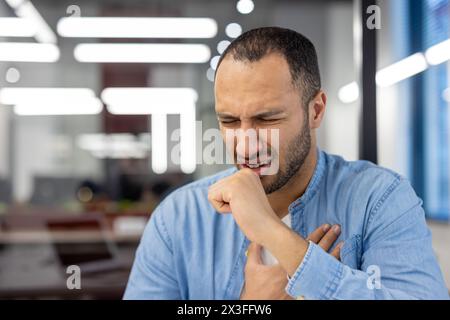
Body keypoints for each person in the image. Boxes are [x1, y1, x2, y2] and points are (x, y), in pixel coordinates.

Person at [124, 27, 448, 300]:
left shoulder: (380, 198)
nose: (246, 142)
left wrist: (275, 235)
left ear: (316, 110)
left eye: (267, 118)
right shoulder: (179, 217)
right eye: (230, 121)